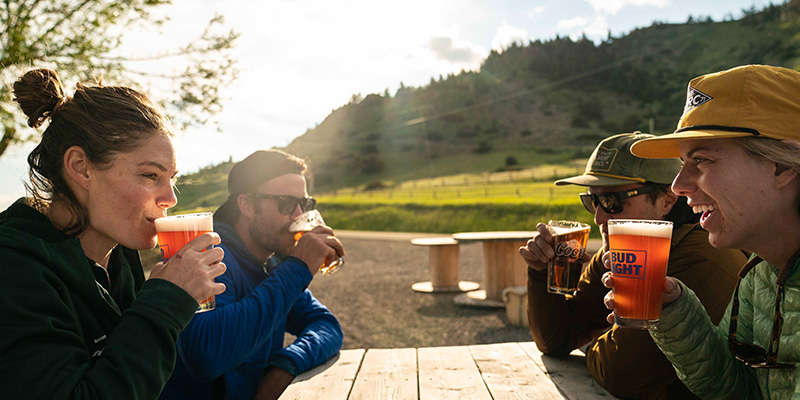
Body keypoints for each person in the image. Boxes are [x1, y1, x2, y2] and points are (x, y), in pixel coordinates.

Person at [0, 69, 226, 399]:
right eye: (151, 175)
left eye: (171, 179)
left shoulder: (119, 256)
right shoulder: (14, 267)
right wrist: (164, 305)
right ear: (80, 167)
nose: (171, 198)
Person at [601, 64, 800, 399]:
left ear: (781, 166)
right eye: (681, 165)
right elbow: (738, 390)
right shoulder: (758, 275)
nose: (678, 186)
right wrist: (675, 314)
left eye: (702, 161)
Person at [520, 132, 747, 399]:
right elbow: (556, 341)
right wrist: (540, 273)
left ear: (667, 199)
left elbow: (620, 375)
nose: (599, 217)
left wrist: (593, 344)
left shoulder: (699, 257)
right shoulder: (623, 250)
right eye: (592, 200)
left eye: (611, 202)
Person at [160, 149, 344, 400]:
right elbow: (206, 355)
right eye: (287, 204)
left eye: (305, 204)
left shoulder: (273, 263)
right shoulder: (207, 256)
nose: (299, 216)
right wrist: (297, 268)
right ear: (246, 205)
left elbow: (326, 325)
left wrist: (285, 365)